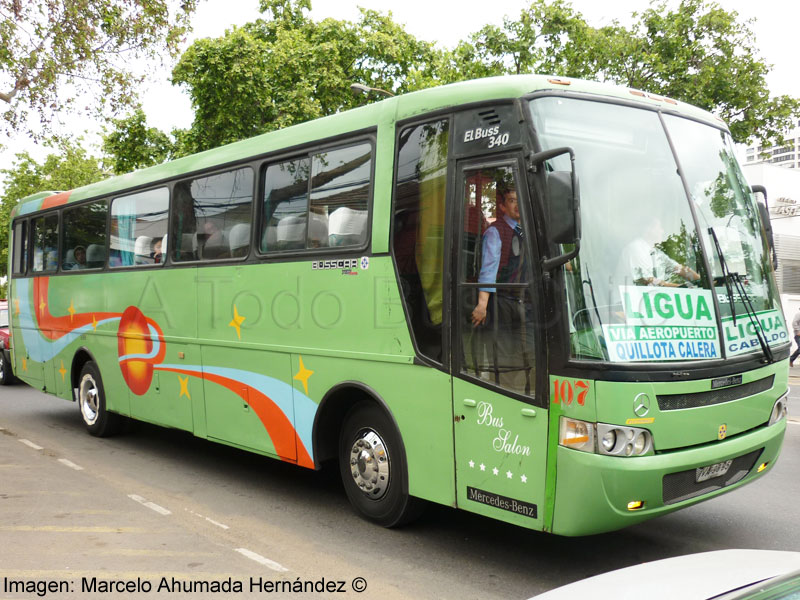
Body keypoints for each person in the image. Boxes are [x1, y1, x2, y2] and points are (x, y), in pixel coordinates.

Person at [470, 182, 533, 394]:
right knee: (503, 353)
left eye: (519, 201)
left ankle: (514, 391)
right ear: (503, 206)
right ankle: (505, 394)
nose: (517, 206)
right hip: (502, 302)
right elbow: (489, 269)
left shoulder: (526, 232)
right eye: (512, 201)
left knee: (520, 352)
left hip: (522, 301)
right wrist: (482, 305)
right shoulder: (496, 232)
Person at [615, 220, 700, 288]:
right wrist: (682, 288)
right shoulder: (636, 248)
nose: (662, 231)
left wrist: (702, 281)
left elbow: (679, 269)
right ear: (648, 229)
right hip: (622, 306)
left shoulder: (656, 252)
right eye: (659, 228)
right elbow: (649, 281)